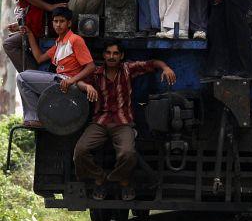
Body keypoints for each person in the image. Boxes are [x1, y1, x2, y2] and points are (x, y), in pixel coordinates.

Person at [73, 39, 176, 201]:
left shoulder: (128, 69)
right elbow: (78, 81)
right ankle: (100, 177)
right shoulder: (96, 73)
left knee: (128, 153)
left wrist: (166, 68)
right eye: (108, 53)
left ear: (121, 56)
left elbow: (152, 63)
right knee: (80, 151)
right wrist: (87, 87)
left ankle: (120, 179)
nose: (111, 57)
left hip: (123, 123)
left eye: (115, 53)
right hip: (100, 122)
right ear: (104, 55)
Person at [17, 7, 95, 128]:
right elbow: (39, 58)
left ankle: (36, 118)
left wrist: (71, 81)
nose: (58, 25)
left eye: (62, 21)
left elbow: (91, 67)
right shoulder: (59, 42)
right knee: (25, 75)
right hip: (60, 80)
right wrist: (30, 34)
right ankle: (37, 116)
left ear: (69, 23)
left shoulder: (75, 40)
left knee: (22, 78)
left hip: (67, 83)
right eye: (56, 21)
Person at [2, 0, 36, 72]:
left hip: (34, 27)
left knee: (8, 44)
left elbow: (24, 2)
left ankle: (30, 74)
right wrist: (18, 25)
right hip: (25, 25)